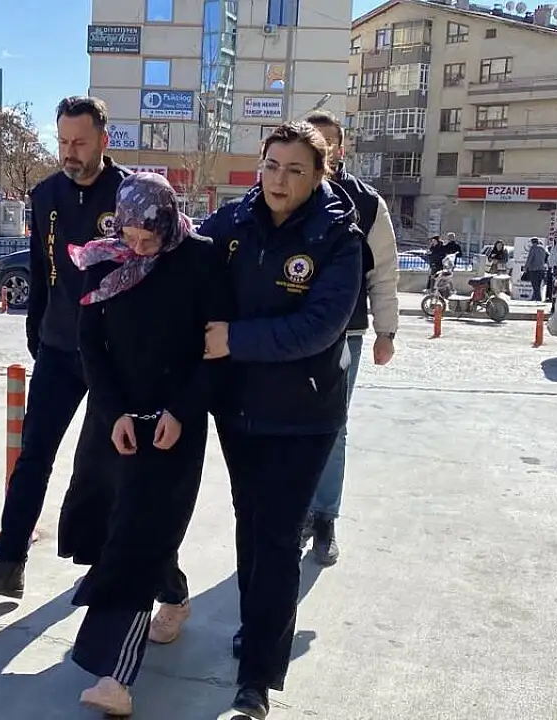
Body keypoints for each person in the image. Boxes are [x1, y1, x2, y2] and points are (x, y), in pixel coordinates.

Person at [197, 121, 369, 719]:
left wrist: (234, 340)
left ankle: (257, 679)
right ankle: (257, 629)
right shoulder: (234, 221)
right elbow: (186, 260)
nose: (279, 179)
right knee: (251, 526)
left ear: (320, 175)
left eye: (296, 170)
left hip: (304, 413)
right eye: (272, 166)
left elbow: (319, 328)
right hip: (239, 407)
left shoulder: (338, 238)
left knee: (276, 535)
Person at [64, 172, 223, 716]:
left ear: (169, 221)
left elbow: (215, 351)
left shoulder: (200, 259)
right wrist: (113, 413)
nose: (139, 247)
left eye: (148, 237)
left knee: (135, 541)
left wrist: (183, 410)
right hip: (117, 423)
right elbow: (91, 343)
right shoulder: (105, 260)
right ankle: (174, 595)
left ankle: (116, 676)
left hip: (174, 425)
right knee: (125, 526)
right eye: (129, 235)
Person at [0, 96, 130, 598]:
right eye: (63, 142)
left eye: (80, 142)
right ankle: (9, 562)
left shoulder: (130, 193)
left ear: (103, 140)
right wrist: (36, 332)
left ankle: (106, 567)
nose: (71, 152)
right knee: (32, 457)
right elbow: (40, 269)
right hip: (58, 347)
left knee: (102, 467)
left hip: (114, 355)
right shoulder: (46, 194)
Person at [302, 111, 399, 566]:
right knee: (283, 422)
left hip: (347, 334)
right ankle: (295, 512)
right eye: (313, 140)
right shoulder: (282, 192)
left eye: (329, 143)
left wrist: (387, 331)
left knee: (333, 426)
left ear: (341, 149)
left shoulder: (365, 202)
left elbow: (384, 272)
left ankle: (324, 518)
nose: (321, 149)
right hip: (286, 334)